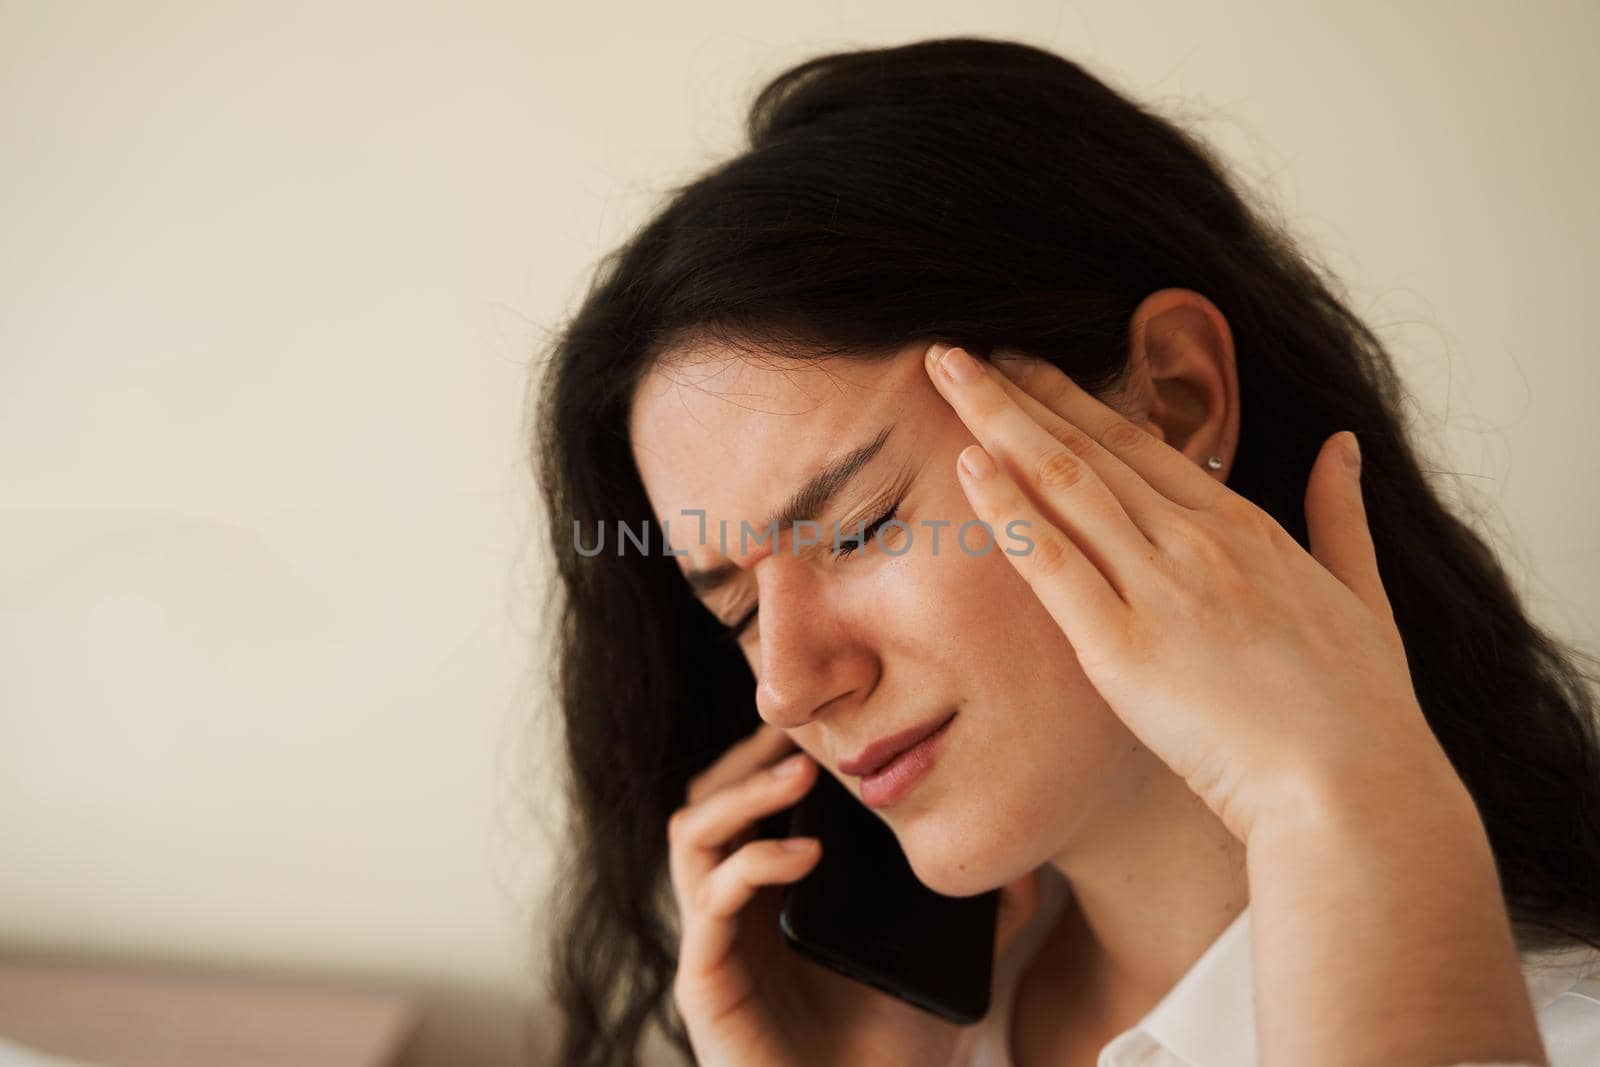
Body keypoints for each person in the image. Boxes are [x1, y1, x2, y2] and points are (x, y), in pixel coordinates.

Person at [528, 36, 1600, 1067]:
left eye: (856, 527)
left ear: (1174, 402)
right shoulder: (899, 1036)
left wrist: (1340, 795)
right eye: (737, 609)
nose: (788, 686)